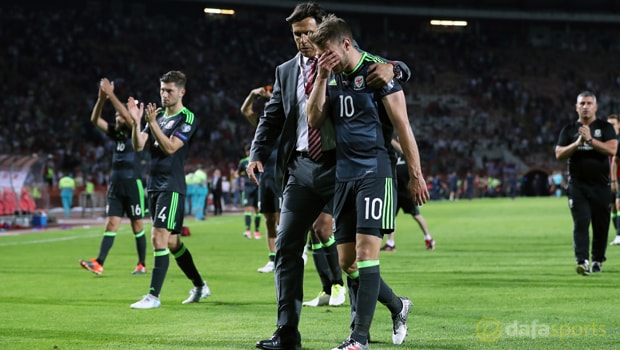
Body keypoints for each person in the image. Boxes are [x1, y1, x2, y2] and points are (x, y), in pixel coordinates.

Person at [248, 3, 411, 349]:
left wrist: (397, 68)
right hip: (302, 169)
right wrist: (256, 153)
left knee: (351, 256)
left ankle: (358, 332)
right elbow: (272, 117)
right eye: (297, 35)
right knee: (286, 247)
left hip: (344, 167)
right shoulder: (285, 72)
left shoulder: (338, 58)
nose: (303, 40)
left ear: (323, 30)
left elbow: (376, 66)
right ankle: (287, 333)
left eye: (309, 33)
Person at [306, 14, 429, 349]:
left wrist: (415, 175)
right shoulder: (328, 75)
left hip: (376, 171)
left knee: (366, 252)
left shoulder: (379, 70)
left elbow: (403, 126)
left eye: (327, 52)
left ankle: (358, 339)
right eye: (320, 54)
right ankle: (396, 305)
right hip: (343, 175)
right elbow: (314, 120)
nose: (323, 58)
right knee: (347, 262)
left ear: (346, 44)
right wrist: (321, 76)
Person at [127, 70, 210, 308]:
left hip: (171, 186)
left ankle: (153, 296)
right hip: (154, 185)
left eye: (169, 90)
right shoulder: (159, 116)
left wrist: (152, 123)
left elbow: (171, 147)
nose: (164, 94)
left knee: (158, 236)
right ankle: (200, 286)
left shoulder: (187, 117)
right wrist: (137, 122)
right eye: (162, 89)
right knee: (173, 243)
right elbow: (138, 145)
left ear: (181, 92)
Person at [79, 77, 147, 276]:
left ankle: (142, 263)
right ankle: (99, 262)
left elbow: (129, 117)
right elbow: (94, 120)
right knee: (111, 223)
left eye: (119, 113)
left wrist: (111, 94)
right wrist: (102, 99)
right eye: (116, 113)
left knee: (137, 225)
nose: (117, 115)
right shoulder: (115, 134)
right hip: (115, 185)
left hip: (132, 183)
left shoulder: (133, 130)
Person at [555, 91, 617, 276]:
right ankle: (582, 261)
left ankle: (597, 259)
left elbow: (612, 149)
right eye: (582, 103)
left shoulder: (605, 128)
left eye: (589, 103)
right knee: (581, 223)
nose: (585, 106)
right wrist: (577, 143)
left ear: (595, 107)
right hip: (577, 186)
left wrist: (590, 140)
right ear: (576, 107)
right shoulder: (568, 129)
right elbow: (559, 154)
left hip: (601, 185)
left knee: (601, 224)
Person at [241, 86, 280, 272]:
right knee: (269, 219)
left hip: (282, 175)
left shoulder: (287, 123)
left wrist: (274, 96)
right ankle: (272, 259)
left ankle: (291, 255)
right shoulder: (262, 127)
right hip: (265, 176)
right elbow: (245, 110)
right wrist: (252, 94)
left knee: (283, 220)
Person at [380, 139, 435, 252]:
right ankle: (390, 243)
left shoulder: (408, 152)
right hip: (394, 190)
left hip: (407, 192)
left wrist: (389, 137)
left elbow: (401, 148)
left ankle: (428, 238)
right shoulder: (392, 154)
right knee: (390, 219)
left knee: (416, 215)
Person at [238, 144, 262, 239]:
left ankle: (256, 231)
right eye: (247, 151)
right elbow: (239, 172)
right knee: (247, 209)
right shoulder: (243, 162)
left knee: (257, 210)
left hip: (257, 187)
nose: (248, 152)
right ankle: (247, 230)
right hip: (247, 188)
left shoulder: (258, 160)